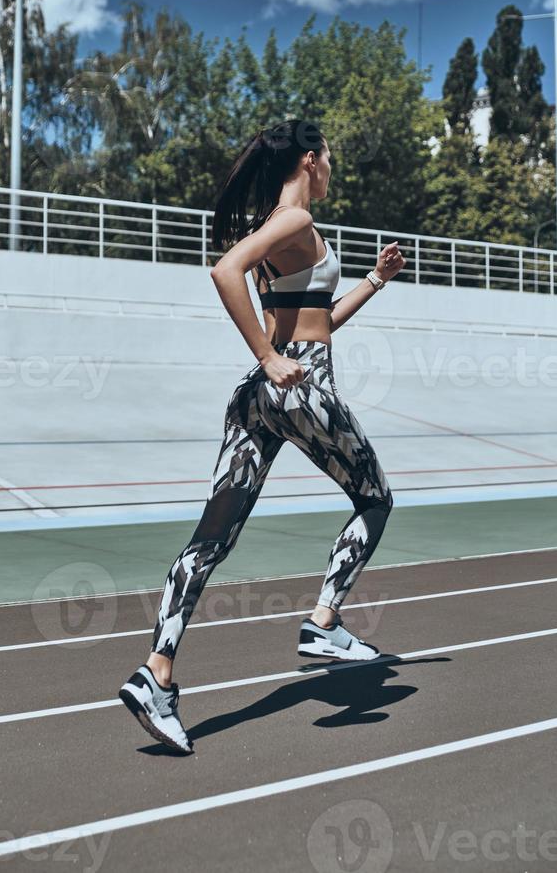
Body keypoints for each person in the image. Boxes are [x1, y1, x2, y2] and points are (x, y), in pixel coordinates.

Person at [119, 119, 405, 753]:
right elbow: (226, 273)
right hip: (299, 386)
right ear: (310, 160)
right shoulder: (295, 222)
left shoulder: (279, 232)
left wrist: (374, 282)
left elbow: (316, 318)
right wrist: (270, 357)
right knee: (376, 501)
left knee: (211, 538)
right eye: (329, 159)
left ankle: (158, 672)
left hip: (259, 401)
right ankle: (324, 623)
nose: (332, 170)